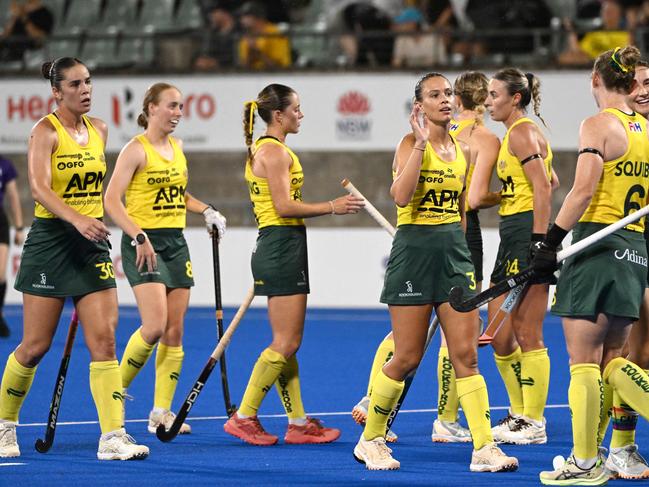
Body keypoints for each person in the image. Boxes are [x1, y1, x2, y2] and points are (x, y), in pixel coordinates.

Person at [352, 72, 518, 472]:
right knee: (407, 356)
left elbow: (462, 212)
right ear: (419, 106)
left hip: (453, 260)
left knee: (466, 356)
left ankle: (483, 448)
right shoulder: (411, 144)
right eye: (434, 95)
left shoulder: (463, 150)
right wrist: (422, 145)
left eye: (447, 94)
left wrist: (462, 260)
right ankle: (370, 439)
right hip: (413, 256)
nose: (445, 100)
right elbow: (400, 195)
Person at [0, 57, 148, 460]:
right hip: (51, 241)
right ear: (56, 92)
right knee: (33, 346)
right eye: (76, 84)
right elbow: (38, 188)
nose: (86, 90)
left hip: (90, 242)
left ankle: (112, 437)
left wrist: (104, 222)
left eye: (88, 82)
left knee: (105, 341)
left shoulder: (99, 129)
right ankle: (3, 426)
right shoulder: (43, 132)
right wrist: (77, 219)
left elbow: (99, 190)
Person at [223, 83, 363, 446]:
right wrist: (331, 206)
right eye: (297, 109)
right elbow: (284, 206)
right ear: (279, 115)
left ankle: (298, 422)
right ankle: (244, 416)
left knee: (288, 343)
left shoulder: (271, 150)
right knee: (286, 341)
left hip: (283, 245)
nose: (301, 115)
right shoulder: (274, 152)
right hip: (280, 244)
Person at [533, 45, 649, 485]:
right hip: (634, 249)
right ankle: (593, 455)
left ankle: (585, 464)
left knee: (583, 361)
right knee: (614, 361)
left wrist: (550, 241)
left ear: (596, 80)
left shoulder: (598, 124)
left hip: (597, 246)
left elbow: (582, 192)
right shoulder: (646, 129)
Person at [104, 83, 226, 435]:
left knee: (175, 330)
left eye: (181, 107)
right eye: (171, 106)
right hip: (144, 241)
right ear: (152, 108)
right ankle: (115, 391)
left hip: (175, 241)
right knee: (155, 326)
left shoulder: (178, 147)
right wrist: (138, 235)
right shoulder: (135, 150)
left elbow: (178, 194)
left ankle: (161, 411)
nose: (178, 113)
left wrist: (206, 210)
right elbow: (112, 201)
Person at [480, 67, 556, 446]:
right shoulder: (517, 133)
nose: (488, 101)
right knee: (498, 333)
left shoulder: (523, 132)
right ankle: (520, 413)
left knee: (527, 331)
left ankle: (534, 421)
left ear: (515, 98)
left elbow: (543, 187)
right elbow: (551, 179)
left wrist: (541, 242)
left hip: (527, 232)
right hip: (513, 232)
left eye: (494, 95)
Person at [595, 58, 649, 480]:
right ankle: (618, 446)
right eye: (638, 82)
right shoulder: (621, 130)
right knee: (636, 354)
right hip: (633, 251)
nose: (643, 89)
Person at [558, 0, 630, 67]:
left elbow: (626, 58)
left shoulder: (626, 35)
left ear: (619, 14)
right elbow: (580, 53)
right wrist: (571, 33)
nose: (608, 15)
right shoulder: (593, 34)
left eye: (611, 12)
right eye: (605, 12)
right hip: (591, 67)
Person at [0, 155, 24, 338]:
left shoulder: (5, 164)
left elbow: (13, 196)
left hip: (0, 221)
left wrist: (18, 227)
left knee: (0, 275)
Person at [237, 1, 291, 70]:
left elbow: (280, 67)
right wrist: (251, 54)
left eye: (245, 16)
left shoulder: (275, 33)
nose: (242, 20)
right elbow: (243, 68)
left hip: (276, 78)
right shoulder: (246, 37)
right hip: (250, 78)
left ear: (258, 17)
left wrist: (258, 53)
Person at [194, 1, 238, 71]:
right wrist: (201, 60)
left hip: (236, 76)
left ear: (222, 13)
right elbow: (203, 53)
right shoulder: (211, 34)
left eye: (212, 13)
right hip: (211, 76)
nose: (210, 17)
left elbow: (238, 57)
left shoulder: (239, 32)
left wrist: (217, 62)